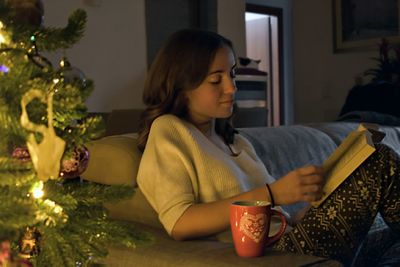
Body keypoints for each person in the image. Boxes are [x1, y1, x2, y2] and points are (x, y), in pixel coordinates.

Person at [136, 28, 400, 266]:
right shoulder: (169, 129)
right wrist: (273, 193)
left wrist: (305, 211)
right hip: (276, 253)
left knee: (391, 240)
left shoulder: (236, 142)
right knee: (379, 162)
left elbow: (276, 217)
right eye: (216, 80)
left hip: (291, 235)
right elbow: (180, 223)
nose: (231, 87)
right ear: (182, 86)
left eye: (232, 74)